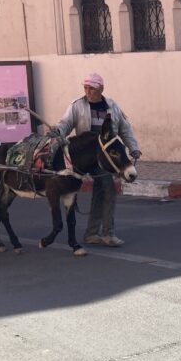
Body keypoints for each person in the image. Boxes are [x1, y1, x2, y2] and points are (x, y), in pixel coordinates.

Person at [54, 72, 141, 247]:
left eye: (92, 88)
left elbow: (125, 129)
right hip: (88, 156)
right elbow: (65, 123)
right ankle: (105, 234)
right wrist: (57, 132)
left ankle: (95, 233)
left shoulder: (112, 106)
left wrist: (134, 148)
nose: (88, 92)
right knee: (107, 190)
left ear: (101, 88)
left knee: (103, 191)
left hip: (107, 156)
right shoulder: (77, 106)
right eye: (85, 88)